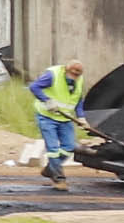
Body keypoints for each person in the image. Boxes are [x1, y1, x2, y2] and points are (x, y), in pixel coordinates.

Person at [27, 57, 88, 186]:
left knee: (69, 147)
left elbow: (78, 100)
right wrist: (47, 100)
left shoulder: (79, 80)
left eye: (77, 75)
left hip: (65, 119)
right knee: (53, 149)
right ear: (66, 69)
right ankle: (59, 178)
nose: (74, 77)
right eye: (72, 74)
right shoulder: (52, 75)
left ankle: (50, 169)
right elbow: (34, 87)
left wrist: (81, 117)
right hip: (47, 117)